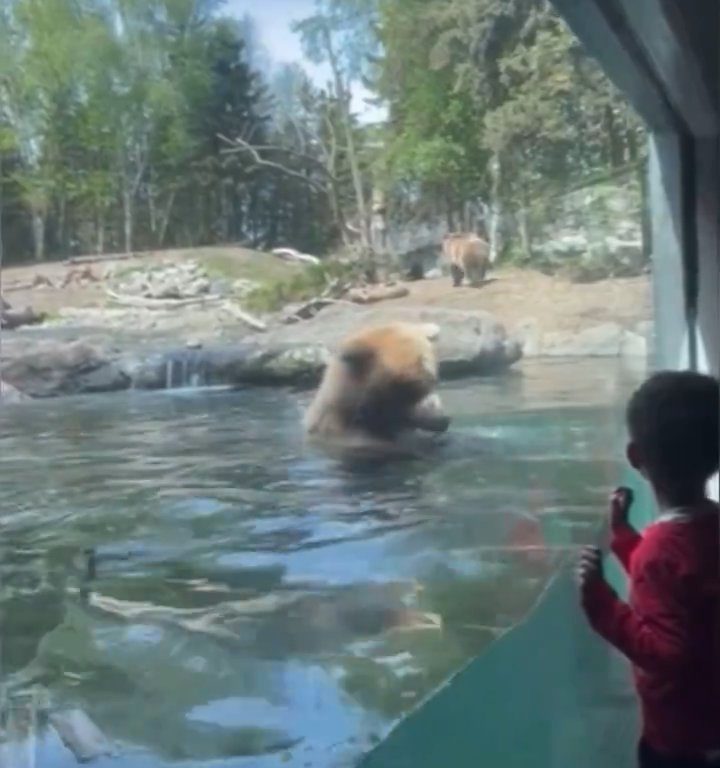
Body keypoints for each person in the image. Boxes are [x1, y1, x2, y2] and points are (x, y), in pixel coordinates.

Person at [576, 370, 720, 768]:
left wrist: (600, 603)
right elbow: (678, 587)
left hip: (679, 741)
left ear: (636, 457)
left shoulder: (659, 551)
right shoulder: (706, 530)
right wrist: (624, 537)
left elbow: (666, 652)